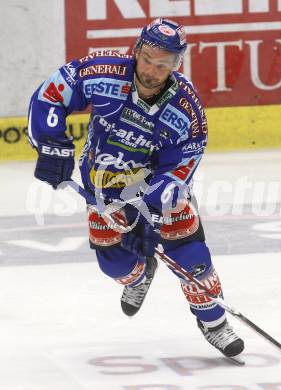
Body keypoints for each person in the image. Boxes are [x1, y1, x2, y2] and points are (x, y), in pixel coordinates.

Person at [28, 18, 244, 358]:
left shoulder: (185, 107)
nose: (152, 70)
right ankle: (141, 275)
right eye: (147, 58)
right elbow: (51, 95)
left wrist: (153, 217)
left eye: (163, 64)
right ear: (136, 51)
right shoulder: (103, 71)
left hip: (156, 190)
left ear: (176, 65)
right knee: (114, 264)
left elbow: (183, 162)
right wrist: (52, 145)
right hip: (104, 189)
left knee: (192, 259)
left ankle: (214, 322)